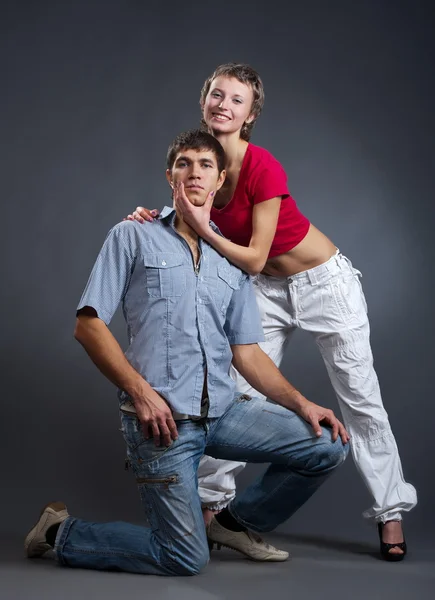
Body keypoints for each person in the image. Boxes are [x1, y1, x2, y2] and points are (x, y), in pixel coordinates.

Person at [25, 130, 349, 575]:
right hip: (163, 424)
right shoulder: (132, 235)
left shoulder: (231, 259)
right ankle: (58, 532)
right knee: (182, 559)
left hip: (225, 413)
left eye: (205, 165)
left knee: (327, 446)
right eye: (184, 163)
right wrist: (139, 393)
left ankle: (233, 523)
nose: (194, 172)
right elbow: (88, 325)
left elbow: (248, 354)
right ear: (169, 175)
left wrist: (303, 403)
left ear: (219, 182)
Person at [127, 63, 416, 561]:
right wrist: (151, 218)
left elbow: (254, 253)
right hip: (261, 288)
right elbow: (188, 208)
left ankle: (390, 510)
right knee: (232, 393)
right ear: (204, 103)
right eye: (216, 95)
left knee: (361, 398)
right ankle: (213, 510)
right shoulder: (203, 165)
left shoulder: (262, 166)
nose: (224, 105)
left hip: (323, 283)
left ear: (250, 114)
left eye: (236, 100)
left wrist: (202, 225)